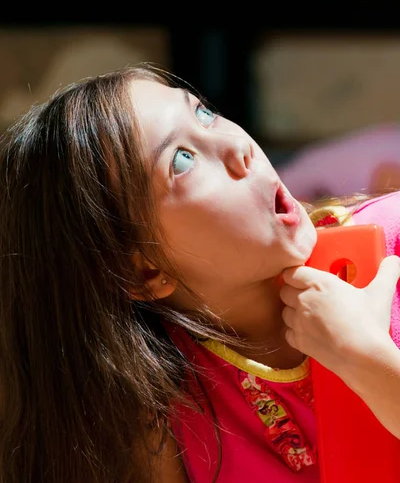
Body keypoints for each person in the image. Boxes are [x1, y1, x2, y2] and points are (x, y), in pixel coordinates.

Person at [0, 64, 399, 483]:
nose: (237, 145)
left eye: (203, 114)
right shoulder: (163, 416)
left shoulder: (395, 238)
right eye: (182, 160)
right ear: (143, 273)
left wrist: (370, 363)